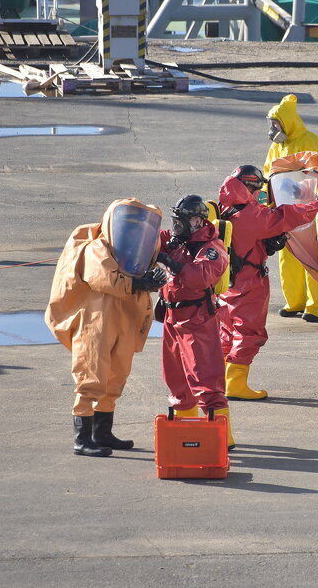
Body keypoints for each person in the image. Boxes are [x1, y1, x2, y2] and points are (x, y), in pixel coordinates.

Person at [45, 198, 169, 457]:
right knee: (91, 372)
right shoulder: (97, 248)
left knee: (116, 374)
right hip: (96, 318)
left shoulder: (141, 249)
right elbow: (105, 279)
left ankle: (102, 433)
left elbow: (141, 272)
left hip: (124, 315)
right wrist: (139, 284)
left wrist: (152, 278)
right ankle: (82, 438)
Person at [216, 164, 318, 400]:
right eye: (257, 189)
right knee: (249, 333)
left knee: (228, 332)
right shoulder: (252, 215)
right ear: (249, 187)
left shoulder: (225, 207)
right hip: (249, 283)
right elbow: (290, 216)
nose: (260, 194)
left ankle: (223, 380)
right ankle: (236, 384)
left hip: (226, 283)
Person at [157, 195, 235, 447]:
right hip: (172, 317)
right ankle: (184, 429)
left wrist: (170, 261)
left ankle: (222, 437)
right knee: (176, 378)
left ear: (195, 221)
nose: (175, 227)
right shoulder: (177, 241)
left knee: (206, 378)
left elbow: (199, 277)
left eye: (180, 223)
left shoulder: (212, 248)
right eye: (174, 222)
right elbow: (152, 239)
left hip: (197, 318)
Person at [263, 94, 318, 322]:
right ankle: (295, 302)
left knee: (310, 257)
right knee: (288, 256)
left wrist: (303, 189)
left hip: (308, 210)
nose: (272, 129)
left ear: (287, 123)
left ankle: (314, 307)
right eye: (271, 124)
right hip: (285, 210)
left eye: (276, 124)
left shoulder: (311, 143)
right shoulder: (278, 146)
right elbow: (269, 171)